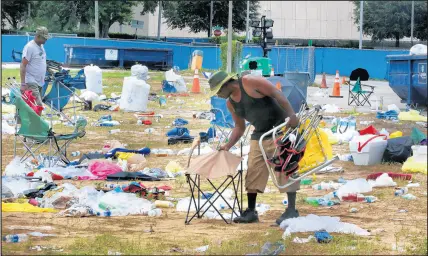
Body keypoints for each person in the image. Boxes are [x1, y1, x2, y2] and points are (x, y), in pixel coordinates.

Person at [208, 70, 300, 225]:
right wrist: (228, 145)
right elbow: (239, 126)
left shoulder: (250, 82)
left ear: (226, 85)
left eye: (218, 91)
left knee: (285, 168)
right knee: (253, 172)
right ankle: (251, 212)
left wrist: (291, 115)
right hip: (259, 135)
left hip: (280, 130)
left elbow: (277, 94)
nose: (218, 95)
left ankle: (292, 210)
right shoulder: (230, 103)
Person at [20, 27, 49, 106]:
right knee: (38, 105)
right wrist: (23, 84)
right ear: (38, 36)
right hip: (31, 80)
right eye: (44, 38)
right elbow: (23, 65)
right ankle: (34, 118)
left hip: (39, 82)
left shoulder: (41, 46)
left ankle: (23, 118)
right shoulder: (30, 47)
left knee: (31, 105)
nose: (46, 40)